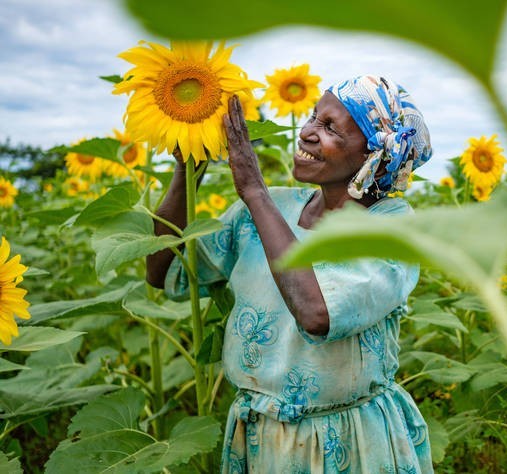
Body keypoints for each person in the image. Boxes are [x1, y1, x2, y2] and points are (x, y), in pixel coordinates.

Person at [146, 74, 434, 473]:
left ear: (375, 154)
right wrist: (187, 171)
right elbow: (164, 270)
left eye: (331, 128)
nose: (307, 132)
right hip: (260, 436)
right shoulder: (267, 212)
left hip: (348, 442)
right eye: (314, 117)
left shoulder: (390, 228)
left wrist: (254, 189)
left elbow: (317, 314)